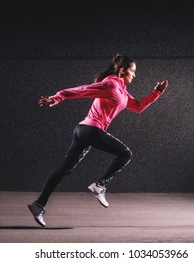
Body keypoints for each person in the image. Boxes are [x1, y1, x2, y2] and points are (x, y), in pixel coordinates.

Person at [28, 53, 168, 227]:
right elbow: (81, 90)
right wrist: (56, 98)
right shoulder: (110, 84)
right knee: (125, 153)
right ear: (122, 70)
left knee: (63, 171)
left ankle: (38, 205)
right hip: (90, 130)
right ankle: (100, 185)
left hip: (83, 131)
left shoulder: (122, 91)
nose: (135, 75)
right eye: (132, 71)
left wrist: (157, 92)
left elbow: (138, 107)